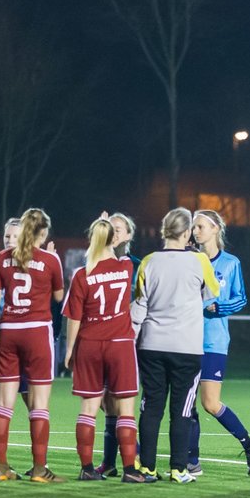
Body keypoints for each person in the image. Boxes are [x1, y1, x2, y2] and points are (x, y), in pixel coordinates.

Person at [131, 207, 221, 483]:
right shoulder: (200, 261)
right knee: (181, 410)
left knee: (151, 406)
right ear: (186, 233)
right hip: (186, 347)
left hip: (152, 345)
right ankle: (179, 469)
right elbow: (212, 292)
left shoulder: (149, 261)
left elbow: (139, 304)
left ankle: (146, 468)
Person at [63, 217, 143, 482]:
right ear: (113, 239)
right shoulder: (125, 267)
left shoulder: (82, 274)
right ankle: (130, 470)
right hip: (120, 344)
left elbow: (73, 318)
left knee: (88, 408)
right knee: (126, 409)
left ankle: (87, 468)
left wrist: (70, 350)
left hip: (89, 344)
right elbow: (121, 250)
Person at [0, 208, 65, 482]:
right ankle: (39, 469)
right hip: (36, 330)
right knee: (40, 405)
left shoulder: (2, 258)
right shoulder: (50, 259)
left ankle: (1, 467)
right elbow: (59, 297)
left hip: (9, 329)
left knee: (4, 404)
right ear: (43, 233)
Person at [187, 208, 250, 476]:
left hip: (213, 341)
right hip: (185, 340)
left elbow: (241, 298)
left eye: (200, 227)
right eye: (193, 227)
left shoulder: (230, 263)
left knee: (210, 403)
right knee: (188, 403)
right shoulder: (189, 260)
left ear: (216, 229)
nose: (195, 232)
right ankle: (191, 461)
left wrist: (217, 308)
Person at [97, 211, 139, 476]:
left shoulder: (134, 264)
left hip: (125, 340)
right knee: (104, 402)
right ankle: (113, 462)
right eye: (109, 228)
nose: (114, 232)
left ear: (129, 235)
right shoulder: (95, 262)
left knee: (122, 403)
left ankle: (127, 459)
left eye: (119, 229)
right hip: (98, 340)